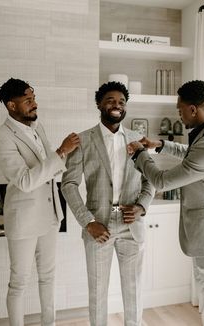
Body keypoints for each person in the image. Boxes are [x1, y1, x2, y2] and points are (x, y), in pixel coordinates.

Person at [127, 80, 204, 326]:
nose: (178, 114)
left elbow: (161, 181)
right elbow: (192, 154)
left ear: (193, 109)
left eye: (179, 108)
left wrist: (140, 155)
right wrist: (161, 146)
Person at [61, 81, 155, 326]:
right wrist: (88, 221)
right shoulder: (82, 141)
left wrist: (141, 207)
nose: (117, 106)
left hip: (131, 225)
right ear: (99, 104)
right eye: (111, 101)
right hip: (98, 226)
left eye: (122, 102)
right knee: (97, 291)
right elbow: (68, 185)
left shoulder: (137, 140)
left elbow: (151, 181)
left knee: (134, 291)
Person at [0, 78, 80, 326]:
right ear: (11, 105)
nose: (34, 104)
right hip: (24, 220)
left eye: (34, 98)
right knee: (18, 282)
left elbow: (47, 169)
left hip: (50, 214)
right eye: (28, 100)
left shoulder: (37, 127)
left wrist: (64, 160)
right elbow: (26, 181)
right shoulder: (1, 138)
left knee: (48, 276)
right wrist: (61, 152)